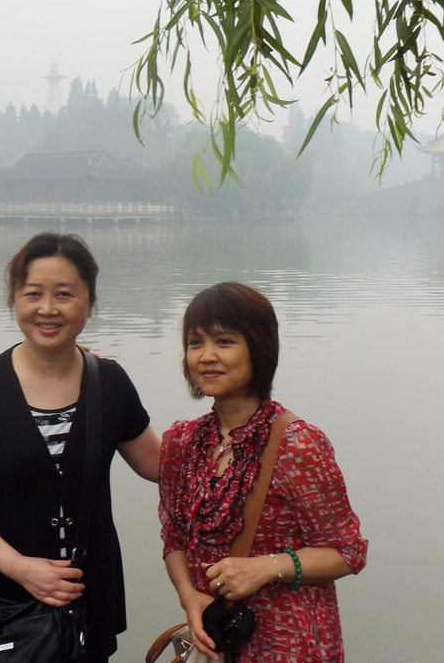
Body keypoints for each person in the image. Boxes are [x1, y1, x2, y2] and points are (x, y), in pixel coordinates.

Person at [0, 232, 161, 662]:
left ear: (90, 303)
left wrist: (239, 424)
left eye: (64, 294)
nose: (48, 308)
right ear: (15, 299)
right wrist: (19, 567)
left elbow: (160, 465)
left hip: (85, 601)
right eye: (33, 293)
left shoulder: (109, 383)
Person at [159, 282, 367, 662]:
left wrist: (267, 568)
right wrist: (190, 598)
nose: (206, 356)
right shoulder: (181, 442)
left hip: (290, 643)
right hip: (217, 640)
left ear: (259, 348)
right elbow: (173, 538)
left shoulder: (297, 445)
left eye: (224, 341)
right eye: (195, 342)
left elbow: (348, 552)